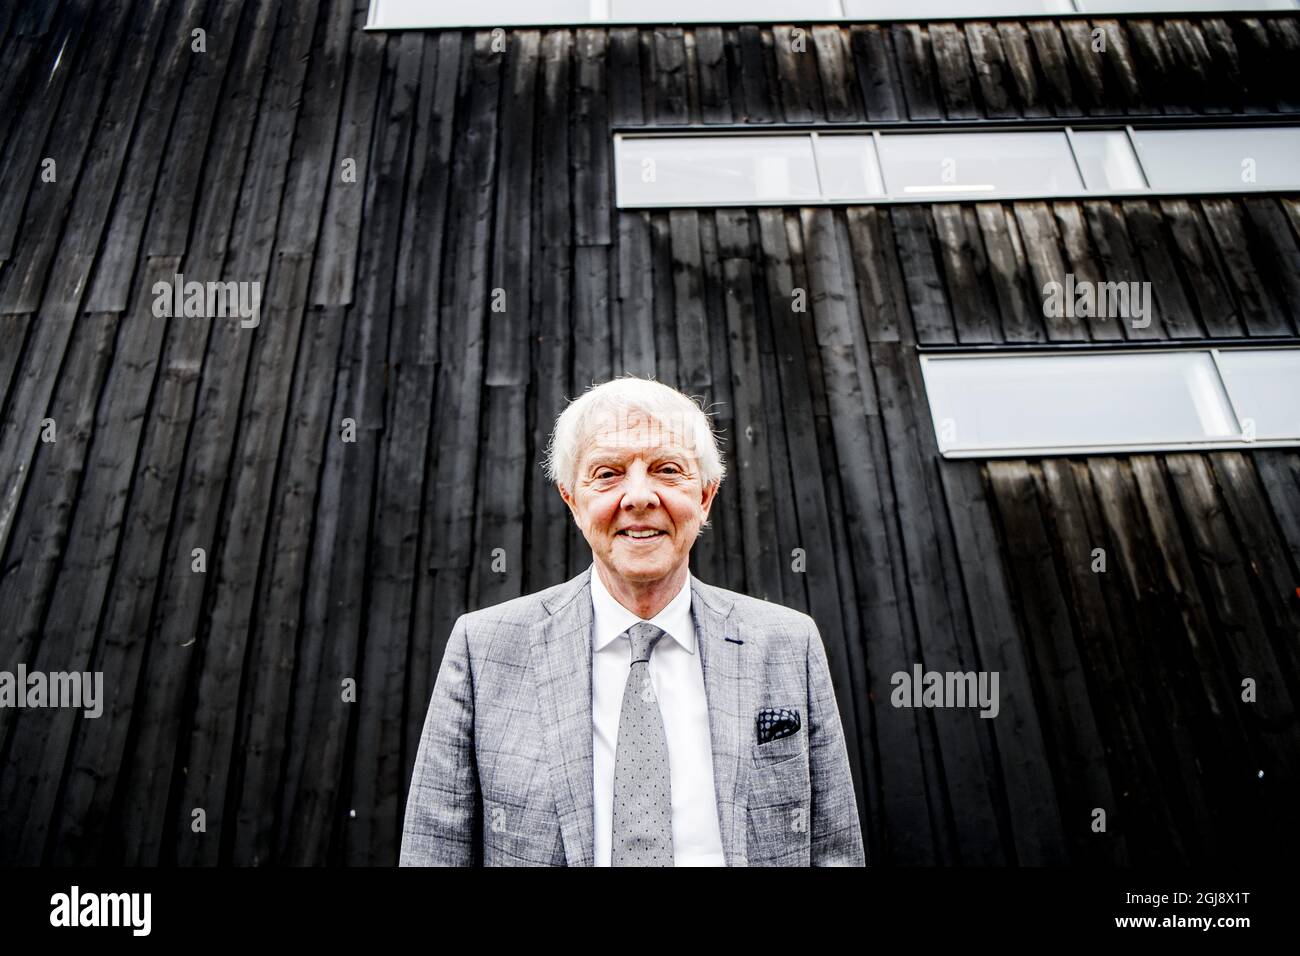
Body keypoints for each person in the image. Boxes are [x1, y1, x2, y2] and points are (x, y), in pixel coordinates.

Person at [399, 376, 864, 866]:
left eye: (667, 469)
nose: (639, 497)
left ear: (705, 497)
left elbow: (835, 850)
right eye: (607, 473)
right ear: (572, 500)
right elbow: (435, 851)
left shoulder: (790, 643)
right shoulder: (484, 649)